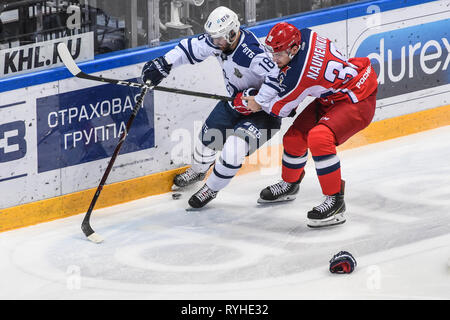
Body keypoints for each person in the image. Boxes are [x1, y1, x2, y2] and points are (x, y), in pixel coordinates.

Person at [142, 6, 281, 209]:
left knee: (233, 150)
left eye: (219, 39)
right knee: (208, 138)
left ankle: (211, 188)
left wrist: (257, 98)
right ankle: (199, 170)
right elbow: (189, 47)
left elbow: (277, 79)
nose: (214, 43)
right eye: (213, 39)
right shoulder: (221, 42)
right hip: (235, 102)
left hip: (264, 113)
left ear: (232, 33)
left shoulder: (252, 54)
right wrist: (164, 63)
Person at [244, 22, 378, 228]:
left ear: (294, 49)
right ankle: (290, 185)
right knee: (294, 138)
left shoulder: (299, 75)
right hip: (333, 95)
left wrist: (256, 103)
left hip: (357, 100)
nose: (274, 58)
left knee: (319, 137)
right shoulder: (305, 35)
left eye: (278, 54)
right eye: (273, 52)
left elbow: (281, 110)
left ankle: (335, 202)